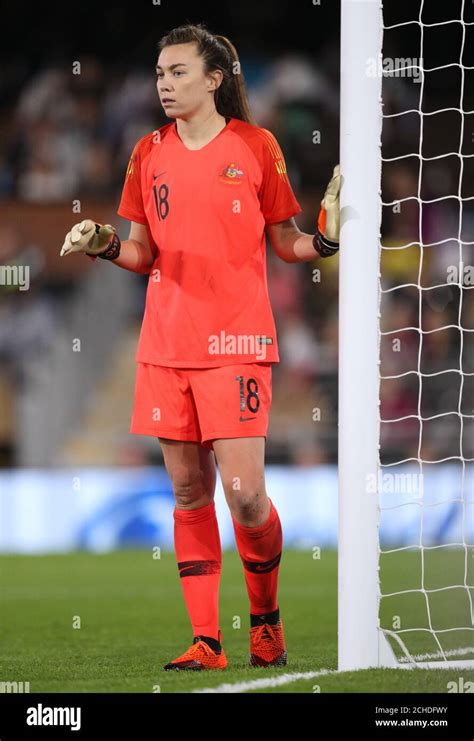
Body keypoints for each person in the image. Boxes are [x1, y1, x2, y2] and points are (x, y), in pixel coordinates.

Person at [60, 22, 340, 671]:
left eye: (178, 71)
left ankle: (266, 618)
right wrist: (104, 243)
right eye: (160, 74)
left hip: (238, 341)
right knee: (189, 493)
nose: (165, 83)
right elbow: (140, 253)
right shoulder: (147, 152)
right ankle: (208, 640)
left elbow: (287, 242)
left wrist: (325, 243)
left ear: (215, 79)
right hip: (165, 345)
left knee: (244, 494)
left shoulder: (255, 145)